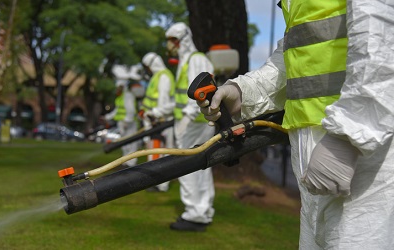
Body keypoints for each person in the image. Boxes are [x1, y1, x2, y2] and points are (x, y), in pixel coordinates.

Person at [197, 0, 394, 248]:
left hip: (362, 153)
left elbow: (382, 42)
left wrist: (348, 136)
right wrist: (243, 92)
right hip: (314, 151)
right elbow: (295, 53)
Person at [165, 22, 216, 232]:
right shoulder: (188, 61)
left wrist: (186, 118)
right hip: (194, 123)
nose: (170, 45)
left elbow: (201, 91)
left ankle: (194, 214)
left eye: (172, 40)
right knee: (201, 166)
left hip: (193, 124)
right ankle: (201, 212)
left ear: (182, 39)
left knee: (187, 167)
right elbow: (181, 97)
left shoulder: (196, 60)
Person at [139, 52, 176, 192]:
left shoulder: (164, 77)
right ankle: (156, 182)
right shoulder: (157, 77)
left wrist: (156, 115)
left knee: (161, 153)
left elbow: (163, 101)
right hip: (155, 120)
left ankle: (161, 184)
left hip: (161, 121)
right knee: (156, 152)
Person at [105, 78, 139, 167]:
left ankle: (131, 164)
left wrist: (127, 121)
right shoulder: (120, 97)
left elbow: (131, 111)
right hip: (122, 123)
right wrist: (107, 117)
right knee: (124, 144)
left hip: (130, 124)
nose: (117, 90)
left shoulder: (127, 96)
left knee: (131, 143)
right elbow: (117, 110)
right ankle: (126, 162)